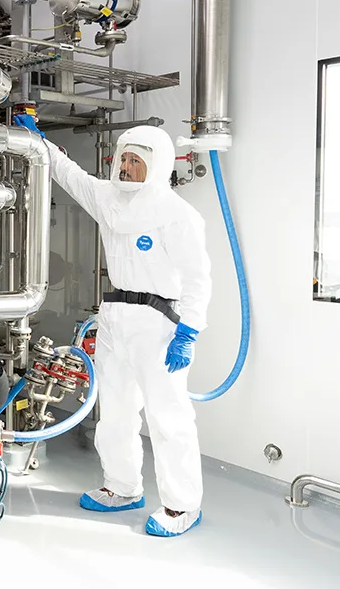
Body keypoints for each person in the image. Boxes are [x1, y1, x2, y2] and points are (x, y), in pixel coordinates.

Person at [14, 115, 212, 537]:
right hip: (114, 317)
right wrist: (39, 141)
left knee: (168, 417)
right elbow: (70, 174)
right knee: (116, 411)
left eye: (135, 162)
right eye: (123, 159)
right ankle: (122, 487)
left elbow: (198, 279)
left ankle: (181, 505)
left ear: (156, 165)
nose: (125, 168)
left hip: (159, 323)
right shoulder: (108, 198)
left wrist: (189, 331)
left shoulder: (177, 215)